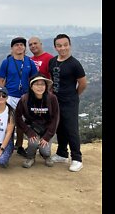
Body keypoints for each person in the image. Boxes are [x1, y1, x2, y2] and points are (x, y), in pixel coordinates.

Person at [48, 34, 87, 172]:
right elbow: (53, 80)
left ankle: (77, 158)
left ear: (69, 45)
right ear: (55, 47)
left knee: (71, 129)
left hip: (70, 101)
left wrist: (74, 95)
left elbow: (82, 83)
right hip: (56, 101)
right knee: (60, 127)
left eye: (65, 45)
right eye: (59, 45)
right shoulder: (52, 62)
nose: (62, 48)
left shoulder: (74, 63)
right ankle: (62, 153)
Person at [0, 37, 38, 157]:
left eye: (21, 45)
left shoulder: (29, 62)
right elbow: (1, 79)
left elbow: (34, 79)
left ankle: (19, 145)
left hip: (25, 97)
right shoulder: (7, 62)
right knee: (8, 122)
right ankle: (7, 145)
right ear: (12, 48)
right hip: (10, 96)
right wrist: (2, 94)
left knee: (21, 123)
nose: (19, 47)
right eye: (16, 45)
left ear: (25, 48)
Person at [15, 74, 59, 168]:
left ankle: (46, 156)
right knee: (33, 142)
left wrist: (48, 136)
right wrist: (28, 131)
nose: (40, 87)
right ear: (31, 86)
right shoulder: (25, 99)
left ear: (46, 86)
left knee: (44, 149)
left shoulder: (52, 98)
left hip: (47, 128)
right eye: (37, 84)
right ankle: (30, 157)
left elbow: (56, 118)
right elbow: (17, 116)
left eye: (42, 84)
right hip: (33, 127)